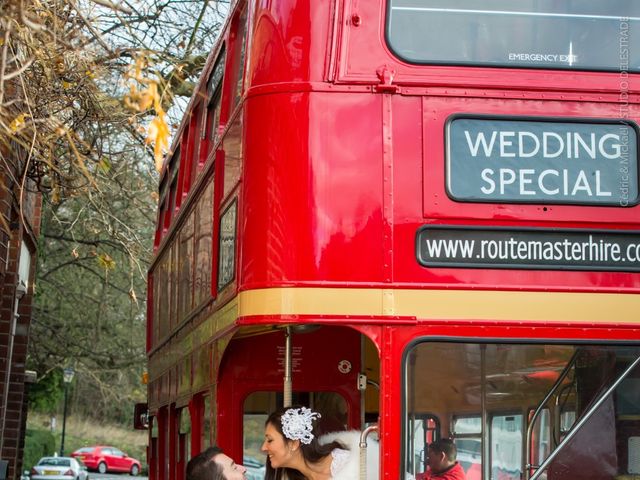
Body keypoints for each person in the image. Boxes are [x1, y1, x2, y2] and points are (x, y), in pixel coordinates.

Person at [262, 405, 379, 479]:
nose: (263, 448)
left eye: (270, 440)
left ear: (293, 443)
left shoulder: (347, 464)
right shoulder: (290, 476)